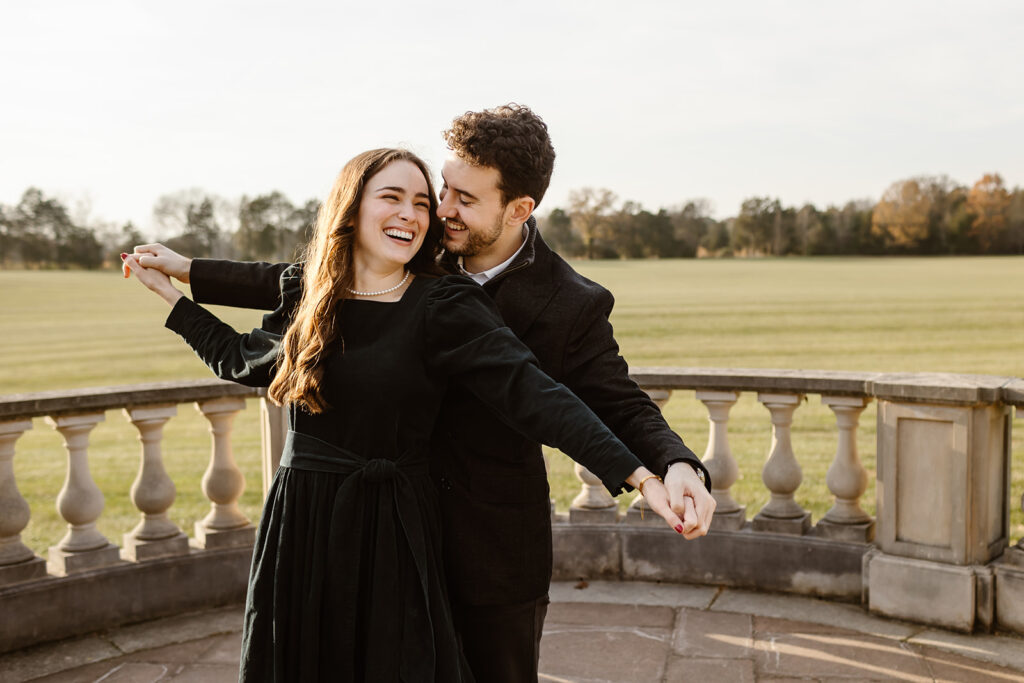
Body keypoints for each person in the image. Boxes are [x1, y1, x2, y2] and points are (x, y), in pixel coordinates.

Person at [135, 104, 715, 683]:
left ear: (519, 209)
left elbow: (600, 398)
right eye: (443, 188)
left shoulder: (571, 301)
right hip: (384, 528)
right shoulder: (416, 246)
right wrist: (191, 272)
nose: (440, 210)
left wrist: (670, 463)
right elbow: (313, 280)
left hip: (487, 547)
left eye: (464, 199)